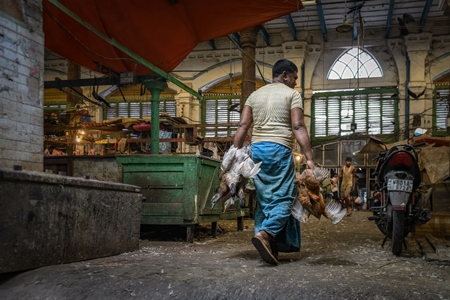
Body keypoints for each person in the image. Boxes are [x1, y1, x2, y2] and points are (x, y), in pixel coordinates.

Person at [233, 59, 315, 265]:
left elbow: (243, 125)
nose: (295, 82)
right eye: (295, 77)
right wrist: (310, 158)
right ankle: (266, 234)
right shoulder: (292, 95)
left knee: (265, 198)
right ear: (285, 75)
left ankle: (271, 246)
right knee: (285, 198)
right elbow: (298, 127)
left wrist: (234, 155)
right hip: (279, 149)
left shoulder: (254, 95)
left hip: (258, 151)